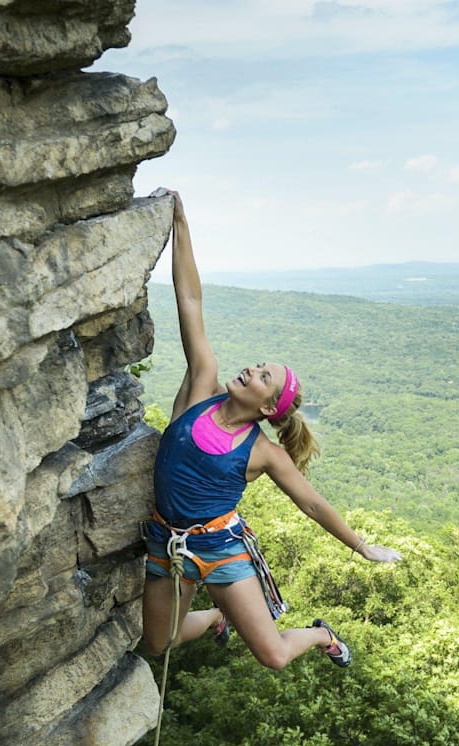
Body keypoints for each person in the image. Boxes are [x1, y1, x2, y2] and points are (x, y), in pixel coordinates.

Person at [140, 189, 402, 669]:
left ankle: (320, 635)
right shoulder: (202, 386)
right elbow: (190, 300)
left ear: (266, 408)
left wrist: (363, 547)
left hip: (220, 548)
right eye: (259, 365)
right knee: (156, 643)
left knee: (274, 657)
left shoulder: (262, 453)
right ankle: (219, 618)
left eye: (264, 378)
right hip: (168, 540)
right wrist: (181, 224)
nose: (252, 371)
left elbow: (312, 502)